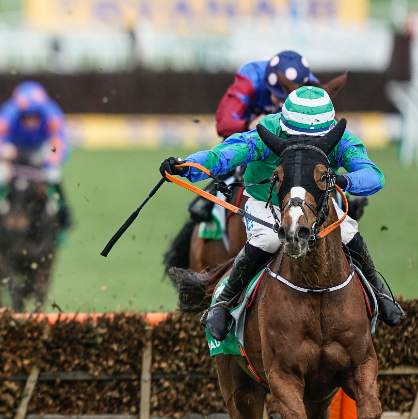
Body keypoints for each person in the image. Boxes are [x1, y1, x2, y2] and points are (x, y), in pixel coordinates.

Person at [162, 86, 405, 341]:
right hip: (267, 202)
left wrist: (343, 182)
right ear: (283, 126)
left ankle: (380, 293)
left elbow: (373, 175)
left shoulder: (340, 140)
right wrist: (185, 165)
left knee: (346, 232)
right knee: (268, 239)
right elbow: (221, 156)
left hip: (315, 204)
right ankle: (223, 303)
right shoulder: (264, 133)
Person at [189, 51, 319, 224]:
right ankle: (208, 202)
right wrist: (249, 125)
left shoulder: (312, 85)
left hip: (290, 137)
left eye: (285, 99)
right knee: (232, 152)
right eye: (277, 96)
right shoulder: (250, 77)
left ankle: (346, 206)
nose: (280, 104)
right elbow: (223, 123)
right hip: (251, 135)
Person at [0, 80, 71, 235]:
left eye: (35, 116)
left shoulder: (52, 114)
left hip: (41, 148)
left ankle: (64, 217)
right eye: (27, 117)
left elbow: (60, 143)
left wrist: (50, 159)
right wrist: (0, 152)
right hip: (14, 148)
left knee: (53, 175)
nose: (31, 121)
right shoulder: (8, 113)